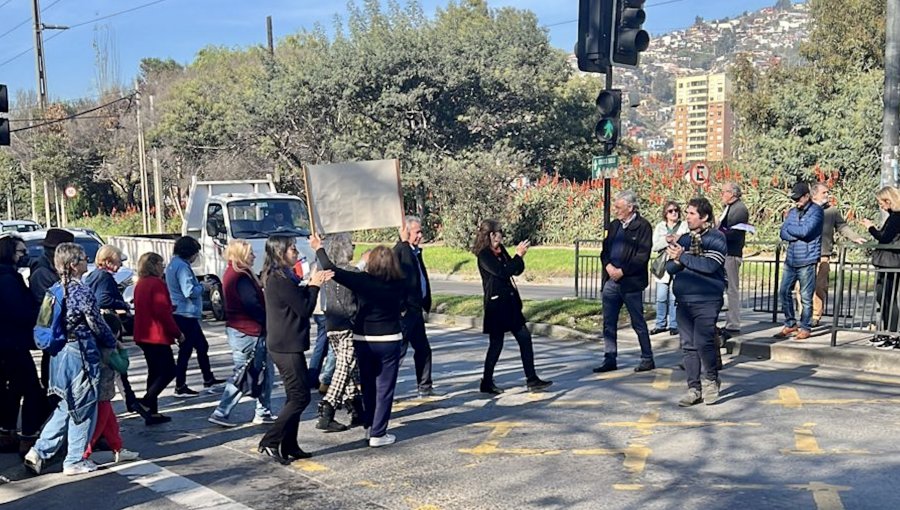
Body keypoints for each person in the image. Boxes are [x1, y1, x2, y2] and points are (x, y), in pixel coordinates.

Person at [24, 243, 117, 476]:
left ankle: (39, 451)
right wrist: (112, 341)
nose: (88, 261)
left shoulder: (54, 290)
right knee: (83, 407)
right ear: (74, 265)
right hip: (80, 353)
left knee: (66, 405)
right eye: (84, 258)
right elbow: (96, 323)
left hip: (58, 352)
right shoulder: (81, 291)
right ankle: (74, 460)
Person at [313, 233, 406, 448]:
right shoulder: (399, 283)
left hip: (363, 337)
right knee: (385, 387)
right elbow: (405, 306)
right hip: (389, 338)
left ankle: (370, 426)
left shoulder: (362, 280)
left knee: (369, 386)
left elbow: (332, 269)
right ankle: (379, 432)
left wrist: (319, 247)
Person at [258, 235, 332, 463]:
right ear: (280, 252)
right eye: (291, 248)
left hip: (289, 343)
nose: (295, 250)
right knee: (300, 397)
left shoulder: (284, 275)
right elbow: (304, 308)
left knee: (295, 395)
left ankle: (289, 444)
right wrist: (314, 286)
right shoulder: (279, 278)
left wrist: (309, 283)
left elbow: (295, 299)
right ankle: (270, 440)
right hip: (284, 345)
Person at [473, 220, 553, 394]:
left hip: (510, 303)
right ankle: (486, 381)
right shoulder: (484, 254)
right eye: (500, 232)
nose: (502, 234)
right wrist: (517, 257)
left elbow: (514, 270)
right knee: (496, 344)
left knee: (524, 338)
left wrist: (519, 257)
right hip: (496, 305)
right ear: (492, 234)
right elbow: (501, 272)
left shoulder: (500, 251)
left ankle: (532, 379)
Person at [665, 198, 728, 407]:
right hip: (684, 298)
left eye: (692, 214)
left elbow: (710, 265)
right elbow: (670, 268)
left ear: (704, 217)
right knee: (688, 346)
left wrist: (683, 259)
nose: (688, 217)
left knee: (703, 341)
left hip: (707, 298)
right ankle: (694, 388)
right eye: (688, 213)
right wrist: (676, 259)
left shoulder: (717, 238)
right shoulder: (684, 240)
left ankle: (711, 379)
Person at [208, 240, 277, 427]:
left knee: (257, 371)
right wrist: (267, 321)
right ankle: (223, 411)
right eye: (250, 253)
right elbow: (251, 303)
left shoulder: (233, 272)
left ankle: (263, 411)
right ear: (240, 255)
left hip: (241, 330)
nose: (254, 256)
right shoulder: (241, 276)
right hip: (249, 331)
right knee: (247, 373)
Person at [594, 190, 656, 373]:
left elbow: (642, 255)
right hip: (611, 282)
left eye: (619, 207)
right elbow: (604, 250)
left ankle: (647, 357)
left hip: (631, 283)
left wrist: (622, 271)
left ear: (630, 207)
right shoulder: (614, 226)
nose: (616, 211)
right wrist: (608, 267)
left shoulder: (643, 226)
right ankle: (610, 358)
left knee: (638, 321)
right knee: (608, 322)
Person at [316, 233, 363, 432]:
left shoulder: (326, 273)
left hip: (331, 324)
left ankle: (357, 408)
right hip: (347, 325)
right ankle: (328, 407)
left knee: (349, 368)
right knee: (344, 367)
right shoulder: (351, 272)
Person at [165, 236, 223, 397]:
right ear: (189, 252)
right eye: (195, 253)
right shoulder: (183, 267)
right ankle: (180, 385)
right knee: (187, 349)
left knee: (201, 346)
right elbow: (189, 291)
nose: (196, 256)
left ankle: (208, 377)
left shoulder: (172, 264)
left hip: (181, 311)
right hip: (186, 312)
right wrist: (203, 287)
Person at [84, 244, 139, 412]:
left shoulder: (92, 275)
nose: (120, 265)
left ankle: (130, 399)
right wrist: (122, 304)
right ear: (107, 262)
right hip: (107, 324)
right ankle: (130, 400)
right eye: (117, 261)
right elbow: (104, 299)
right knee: (117, 363)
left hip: (97, 325)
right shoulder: (105, 277)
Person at [0, 235, 41, 454]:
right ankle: (28, 436)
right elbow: (19, 312)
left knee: (13, 390)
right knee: (32, 389)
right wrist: (38, 313)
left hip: (7, 343)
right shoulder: (8, 279)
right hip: (12, 343)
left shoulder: (9, 276)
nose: (24, 256)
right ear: (9, 253)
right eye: (20, 252)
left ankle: (7, 432)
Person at [133, 252, 184, 425]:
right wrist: (177, 333)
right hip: (156, 334)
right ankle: (147, 401)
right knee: (169, 370)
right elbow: (162, 312)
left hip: (143, 333)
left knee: (154, 372)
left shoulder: (141, 284)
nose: (163, 267)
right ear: (153, 265)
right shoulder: (156, 283)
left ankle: (152, 412)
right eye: (161, 264)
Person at [809, 183, 866, 327]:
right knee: (801, 286)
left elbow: (842, 226)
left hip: (823, 254)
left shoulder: (831, 211)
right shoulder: (806, 208)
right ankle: (804, 314)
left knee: (820, 286)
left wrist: (854, 237)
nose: (827, 195)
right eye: (824, 192)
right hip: (805, 253)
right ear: (814, 194)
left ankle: (815, 316)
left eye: (828, 192)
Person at [393, 216, 437, 398]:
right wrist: (402, 307)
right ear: (406, 232)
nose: (420, 235)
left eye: (421, 231)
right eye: (416, 232)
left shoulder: (415, 251)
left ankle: (425, 386)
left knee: (423, 350)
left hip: (416, 309)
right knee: (397, 353)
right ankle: (383, 388)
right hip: (405, 311)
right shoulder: (400, 251)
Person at [774, 182, 824, 341]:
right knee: (783, 291)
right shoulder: (793, 212)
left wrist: (793, 230)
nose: (796, 201)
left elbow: (805, 231)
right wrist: (796, 231)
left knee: (805, 296)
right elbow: (783, 232)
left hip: (807, 259)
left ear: (807, 196)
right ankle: (790, 323)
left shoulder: (817, 211)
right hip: (791, 258)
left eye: (798, 198)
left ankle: (805, 327)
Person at [862, 186, 900, 349]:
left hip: (892, 261)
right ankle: (885, 332)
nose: (880, 206)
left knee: (889, 299)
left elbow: (884, 237)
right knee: (881, 296)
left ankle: (892, 334)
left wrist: (870, 227)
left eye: (880, 203)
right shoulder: (893, 216)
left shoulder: (897, 217)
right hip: (885, 260)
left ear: (888, 200)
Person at [651, 200, 688, 336]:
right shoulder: (660, 227)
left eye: (676, 210)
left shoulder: (684, 226)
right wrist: (665, 241)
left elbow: (689, 242)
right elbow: (654, 246)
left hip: (678, 263)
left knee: (674, 297)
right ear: (665, 214)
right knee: (661, 296)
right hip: (663, 264)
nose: (674, 213)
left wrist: (678, 239)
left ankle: (674, 324)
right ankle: (660, 323)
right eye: (671, 211)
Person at [717, 182, 750, 337]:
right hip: (725, 252)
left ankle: (733, 323)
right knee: (725, 288)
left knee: (732, 289)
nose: (722, 194)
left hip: (732, 253)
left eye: (724, 192)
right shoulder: (729, 208)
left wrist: (717, 233)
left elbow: (735, 232)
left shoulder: (740, 209)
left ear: (733, 193)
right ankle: (728, 321)